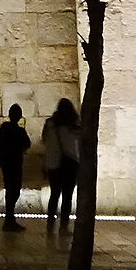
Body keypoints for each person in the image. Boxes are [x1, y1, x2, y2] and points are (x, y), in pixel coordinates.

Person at [42, 98, 81, 230]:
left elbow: (45, 142)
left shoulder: (50, 124)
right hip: (70, 163)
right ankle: (64, 225)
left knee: (54, 194)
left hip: (53, 164)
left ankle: (50, 222)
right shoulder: (74, 125)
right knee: (67, 196)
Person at [0, 103, 32, 232]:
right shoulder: (18, 130)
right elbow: (27, 143)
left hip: (6, 162)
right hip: (14, 163)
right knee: (14, 190)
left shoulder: (4, 128)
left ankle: (9, 218)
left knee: (10, 189)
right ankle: (9, 219)